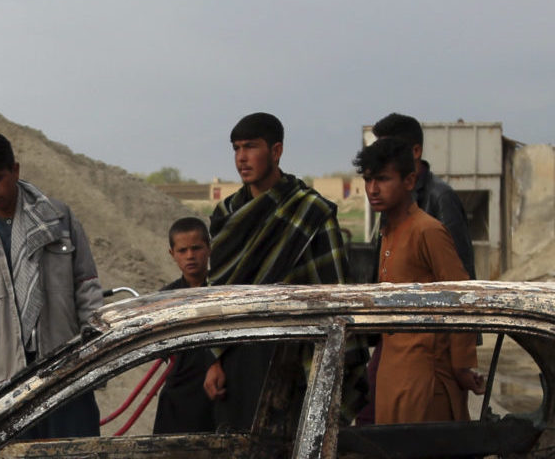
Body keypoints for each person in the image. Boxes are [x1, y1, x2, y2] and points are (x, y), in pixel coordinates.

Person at [0, 132, 107, 436]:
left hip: (65, 371)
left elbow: (88, 295)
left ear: (15, 171)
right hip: (4, 384)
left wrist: (95, 363)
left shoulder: (59, 220)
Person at [204, 112, 350, 425]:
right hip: (235, 357)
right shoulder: (226, 214)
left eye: (251, 147)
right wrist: (213, 358)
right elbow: (216, 295)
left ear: (276, 151)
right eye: (236, 148)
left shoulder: (310, 212)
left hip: (288, 358)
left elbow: (333, 294)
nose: (242, 158)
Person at [358, 136, 481, 423]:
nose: (373, 189)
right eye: (368, 180)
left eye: (383, 179)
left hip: (425, 377)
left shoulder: (427, 230)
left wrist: (462, 367)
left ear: (409, 181)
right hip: (392, 370)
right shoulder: (388, 231)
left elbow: (461, 295)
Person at [369, 112, 475, 277]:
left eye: (390, 151)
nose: (381, 158)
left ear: (416, 151)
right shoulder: (390, 199)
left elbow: (460, 280)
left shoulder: (440, 198)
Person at [151, 216, 218, 434]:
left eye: (196, 248)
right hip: (178, 395)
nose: (190, 256)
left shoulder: (223, 292)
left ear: (209, 248)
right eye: (182, 251)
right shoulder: (166, 298)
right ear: (172, 254)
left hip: (215, 392)